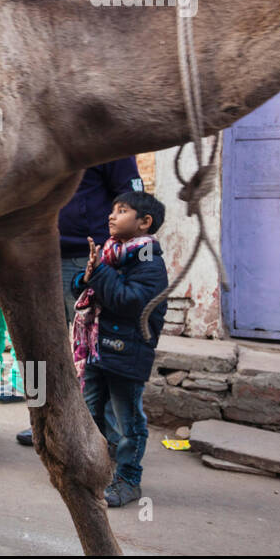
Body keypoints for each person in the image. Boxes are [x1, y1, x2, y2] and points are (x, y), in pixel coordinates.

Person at [18, 157, 144, 447]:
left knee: (96, 349)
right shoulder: (43, 130)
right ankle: (46, 425)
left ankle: (105, 438)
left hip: (87, 260)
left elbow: (133, 199)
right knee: (39, 346)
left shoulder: (110, 137)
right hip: (37, 255)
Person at [70, 190, 168, 508]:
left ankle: (128, 479)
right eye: (112, 210)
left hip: (128, 351)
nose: (112, 216)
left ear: (145, 222)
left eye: (122, 210)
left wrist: (98, 273)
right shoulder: (111, 254)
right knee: (91, 412)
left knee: (129, 423)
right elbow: (91, 290)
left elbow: (128, 302)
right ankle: (97, 469)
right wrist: (85, 278)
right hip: (98, 349)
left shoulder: (149, 263)